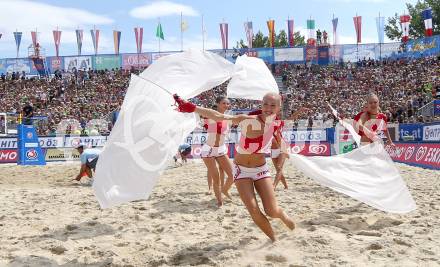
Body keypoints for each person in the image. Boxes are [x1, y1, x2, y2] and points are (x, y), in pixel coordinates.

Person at [174, 92, 295, 242]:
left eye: (272, 105)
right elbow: (219, 116)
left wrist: (285, 155)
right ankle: (275, 241)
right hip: (241, 170)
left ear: (279, 108)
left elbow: (281, 141)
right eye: (265, 104)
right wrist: (192, 107)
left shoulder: (277, 124)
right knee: (254, 210)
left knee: (272, 211)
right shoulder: (249, 120)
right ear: (261, 105)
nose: (268, 108)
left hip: (261, 169)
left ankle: (286, 220)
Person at [201, 97, 234, 206]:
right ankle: (219, 201)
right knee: (216, 178)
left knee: (232, 175)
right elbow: (199, 111)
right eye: (223, 103)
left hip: (221, 149)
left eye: (227, 103)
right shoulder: (211, 115)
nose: (226, 105)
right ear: (218, 104)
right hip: (209, 150)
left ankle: (224, 190)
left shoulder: (228, 118)